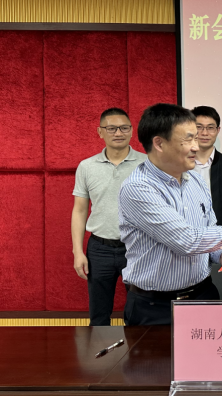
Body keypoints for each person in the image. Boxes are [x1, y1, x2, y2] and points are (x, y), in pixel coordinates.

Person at [118, 104, 222, 326]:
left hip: (203, 295)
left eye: (196, 139)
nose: (196, 147)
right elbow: (186, 240)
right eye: (188, 139)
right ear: (159, 143)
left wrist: (221, 254)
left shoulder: (195, 180)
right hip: (156, 307)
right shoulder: (138, 188)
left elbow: (208, 229)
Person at [71, 108, 147, 326]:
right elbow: (79, 210)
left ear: (131, 131)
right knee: (99, 316)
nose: (118, 133)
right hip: (99, 249)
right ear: (100, 132)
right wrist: (77, 252)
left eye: (124, 128)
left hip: (138, 247)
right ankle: (99, 350)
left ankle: (137, 350)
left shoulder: (147, 164)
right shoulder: (87, 166)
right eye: (111, 128)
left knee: (139, 314)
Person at [191, 106, 222, 225]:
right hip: (187, 231)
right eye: (199, 127)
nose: (204, 133)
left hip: (221, 232)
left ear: (218, 130)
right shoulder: (178, 166)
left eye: (210, 128)